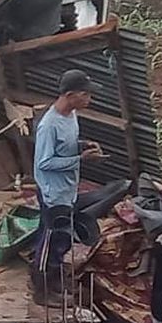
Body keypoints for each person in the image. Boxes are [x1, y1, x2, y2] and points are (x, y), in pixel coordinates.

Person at [31, 69, 103, 305]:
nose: (89, 100)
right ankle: (41, 289)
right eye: (85, 95)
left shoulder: (71, 115)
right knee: (50, 239)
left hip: (67, 190)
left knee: (61, 239)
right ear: (70, 95)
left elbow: (66, 145)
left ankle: (54, 280)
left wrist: (82, 145)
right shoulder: (48, 125)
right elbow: (44, 162)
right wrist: (81, 160)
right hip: (53, 193)